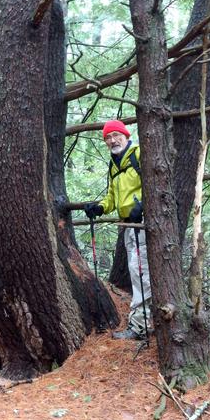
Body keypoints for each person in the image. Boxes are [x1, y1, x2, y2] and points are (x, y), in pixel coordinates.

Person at [84, 120, 152, 340]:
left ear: (125, 134)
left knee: (141, 272)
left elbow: (155, 183)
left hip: (143, 223)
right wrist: (99, 208)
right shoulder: (114, 164)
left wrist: (141, 206)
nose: (112, 140)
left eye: (116, 135)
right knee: (137, 271)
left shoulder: (139, 154)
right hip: (128, 225)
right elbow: (112, 198)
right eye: (107, 138)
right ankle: (145, 322)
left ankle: (141, 326)